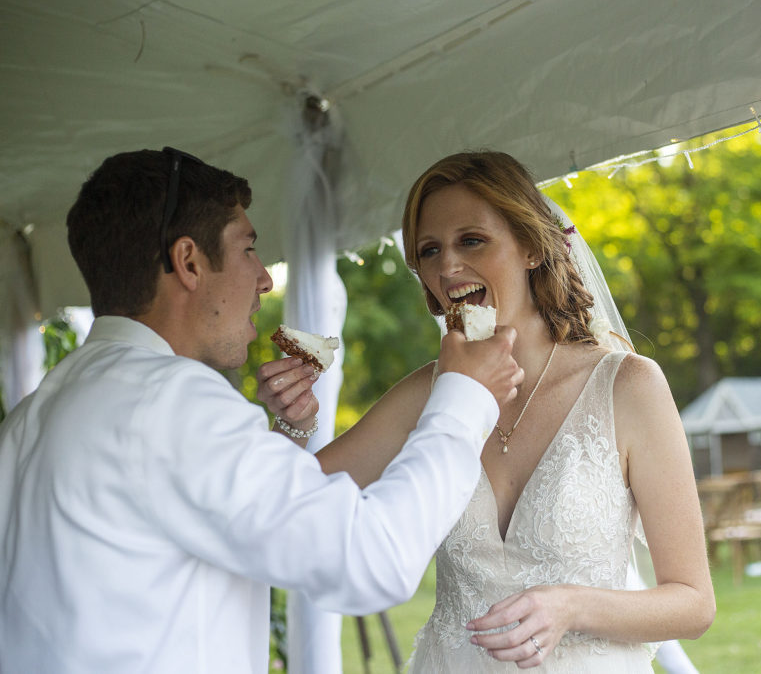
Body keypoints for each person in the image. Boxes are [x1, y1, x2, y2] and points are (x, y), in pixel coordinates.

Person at [0, 148, 524, 674]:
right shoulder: (174, 404)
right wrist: (464, 395)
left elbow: (190, 519)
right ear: (188, 262)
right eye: (248, 249)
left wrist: (286, 436)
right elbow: (372, 559)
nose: (265, 279)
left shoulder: (32, 417)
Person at [293, 150, 715, 671]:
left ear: (531, 247)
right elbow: (289, 503)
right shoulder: (426, 394)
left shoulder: (628, 386)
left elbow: (694, 603)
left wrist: (570, 605)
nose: (447, 267)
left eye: (471, 240)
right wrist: (293, 419)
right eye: (429, 251)